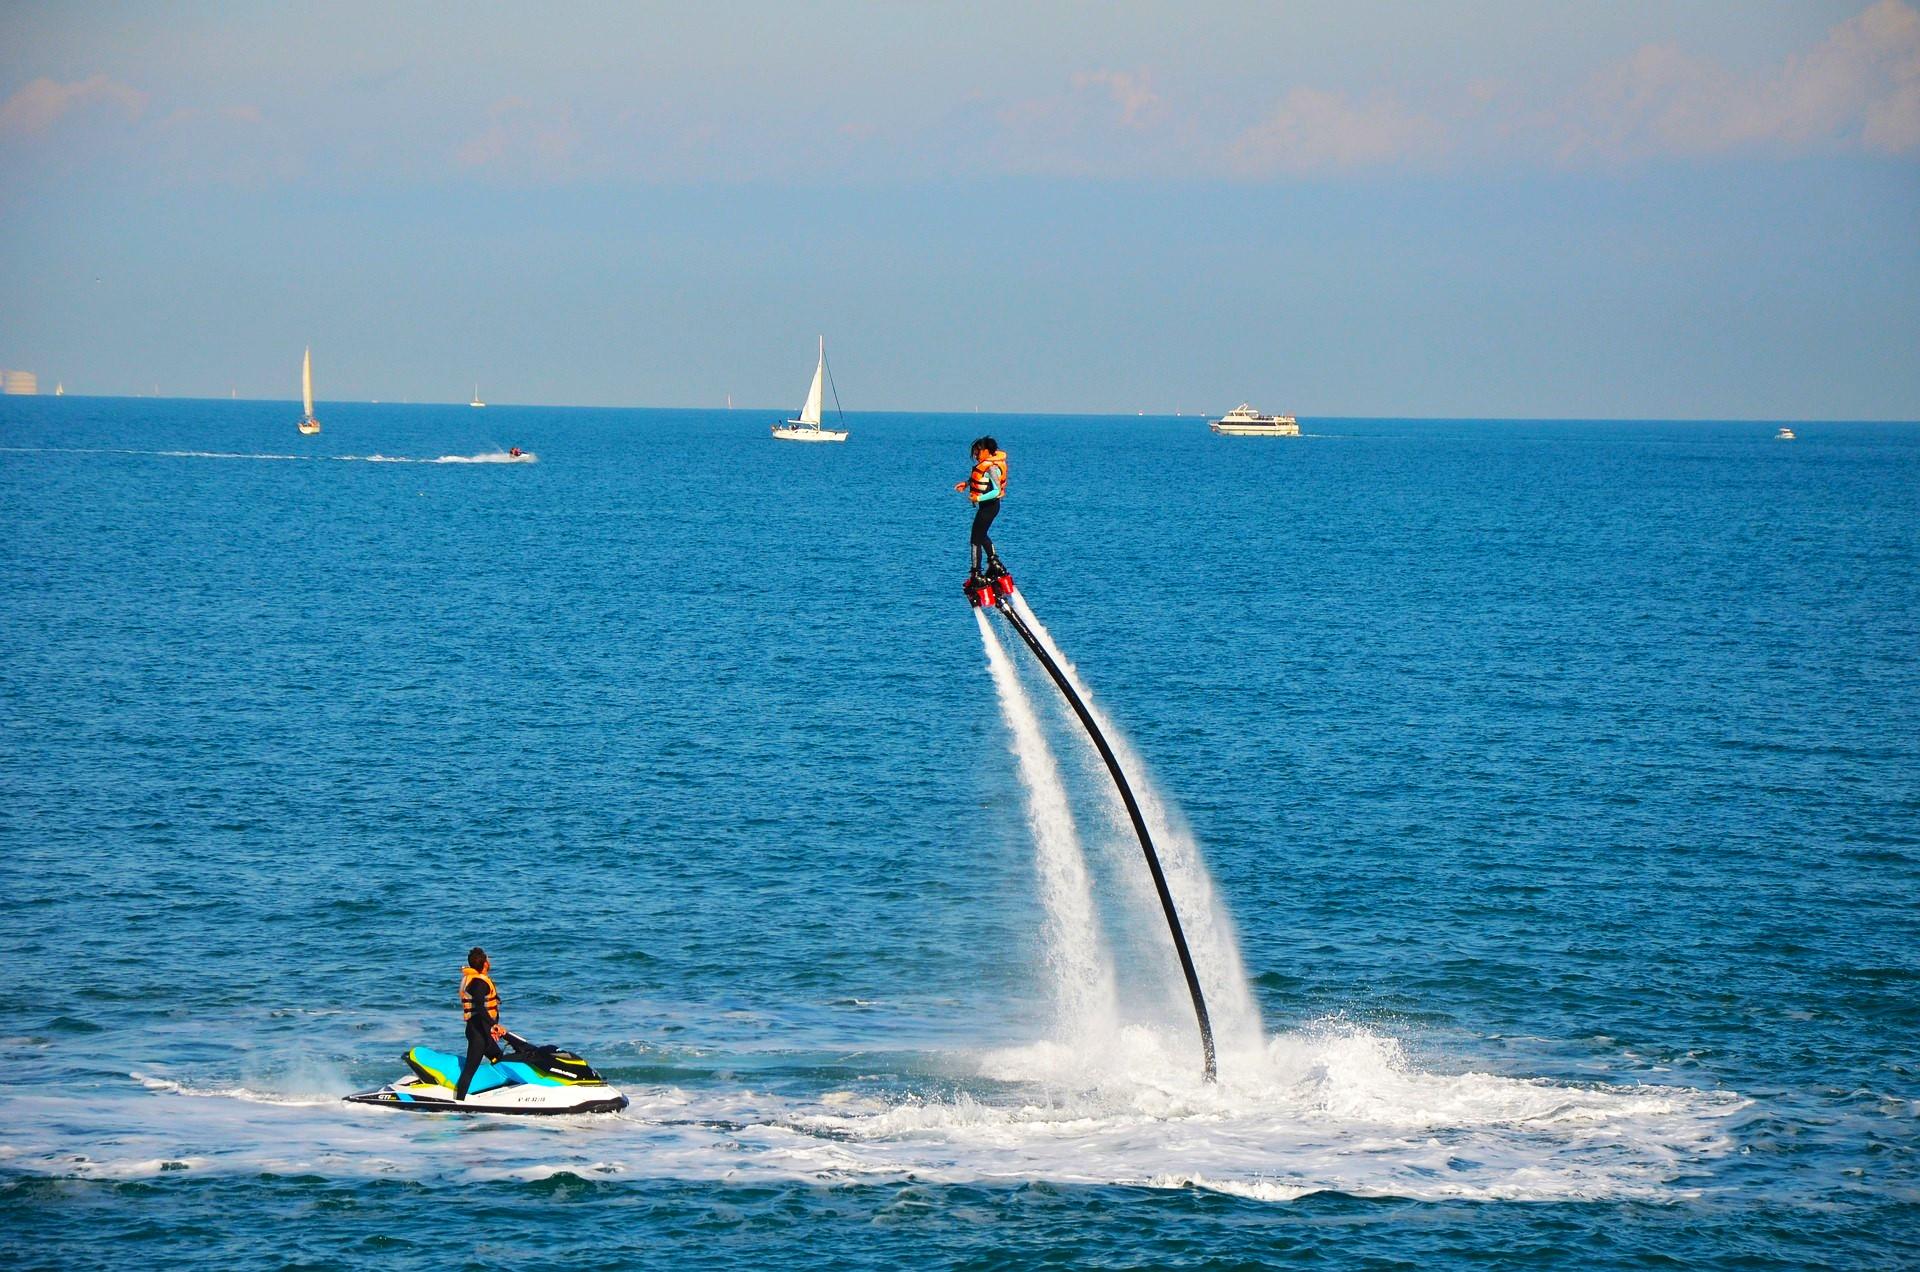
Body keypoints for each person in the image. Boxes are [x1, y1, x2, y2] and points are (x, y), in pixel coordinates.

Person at [454, 947, 506, 1101]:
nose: (489, 962)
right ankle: (458, 1103)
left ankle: (499, 1092)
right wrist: (493, 1025)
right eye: (488, 959)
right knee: (470, 1069)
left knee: (498, 1057)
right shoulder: (479, 983)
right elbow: (478, 1005)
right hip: (478, 1033)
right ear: (485, 964)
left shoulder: (476, 979)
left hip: (481, 1030)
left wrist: (490, 1028)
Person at [955, 436, 1007, 577]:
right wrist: (966, 484)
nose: (976, 456)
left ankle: (976, 573)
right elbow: (981, 480)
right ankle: (994, 562)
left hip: (990, 507)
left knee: (975, 540)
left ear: (986, 451)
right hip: (987, 507)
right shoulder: (987, 467)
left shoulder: (992, 467)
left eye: (978, 452)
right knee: (981, 534)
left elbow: (996, 491)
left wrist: (978, 497)